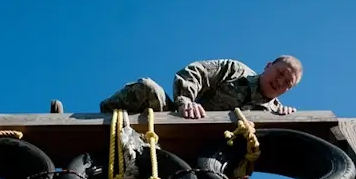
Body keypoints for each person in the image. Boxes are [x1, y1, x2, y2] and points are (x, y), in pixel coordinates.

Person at [98, 56, 303, 118]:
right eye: (281, 73)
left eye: (287, 83)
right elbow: (196, 72)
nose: (280, 81)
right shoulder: (234, 70)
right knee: (147, 88)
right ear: (268, 66)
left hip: (216, 160)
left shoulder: (276, 112)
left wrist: (284, 118)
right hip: (181, 124)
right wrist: (186, 102)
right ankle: (100, 121)